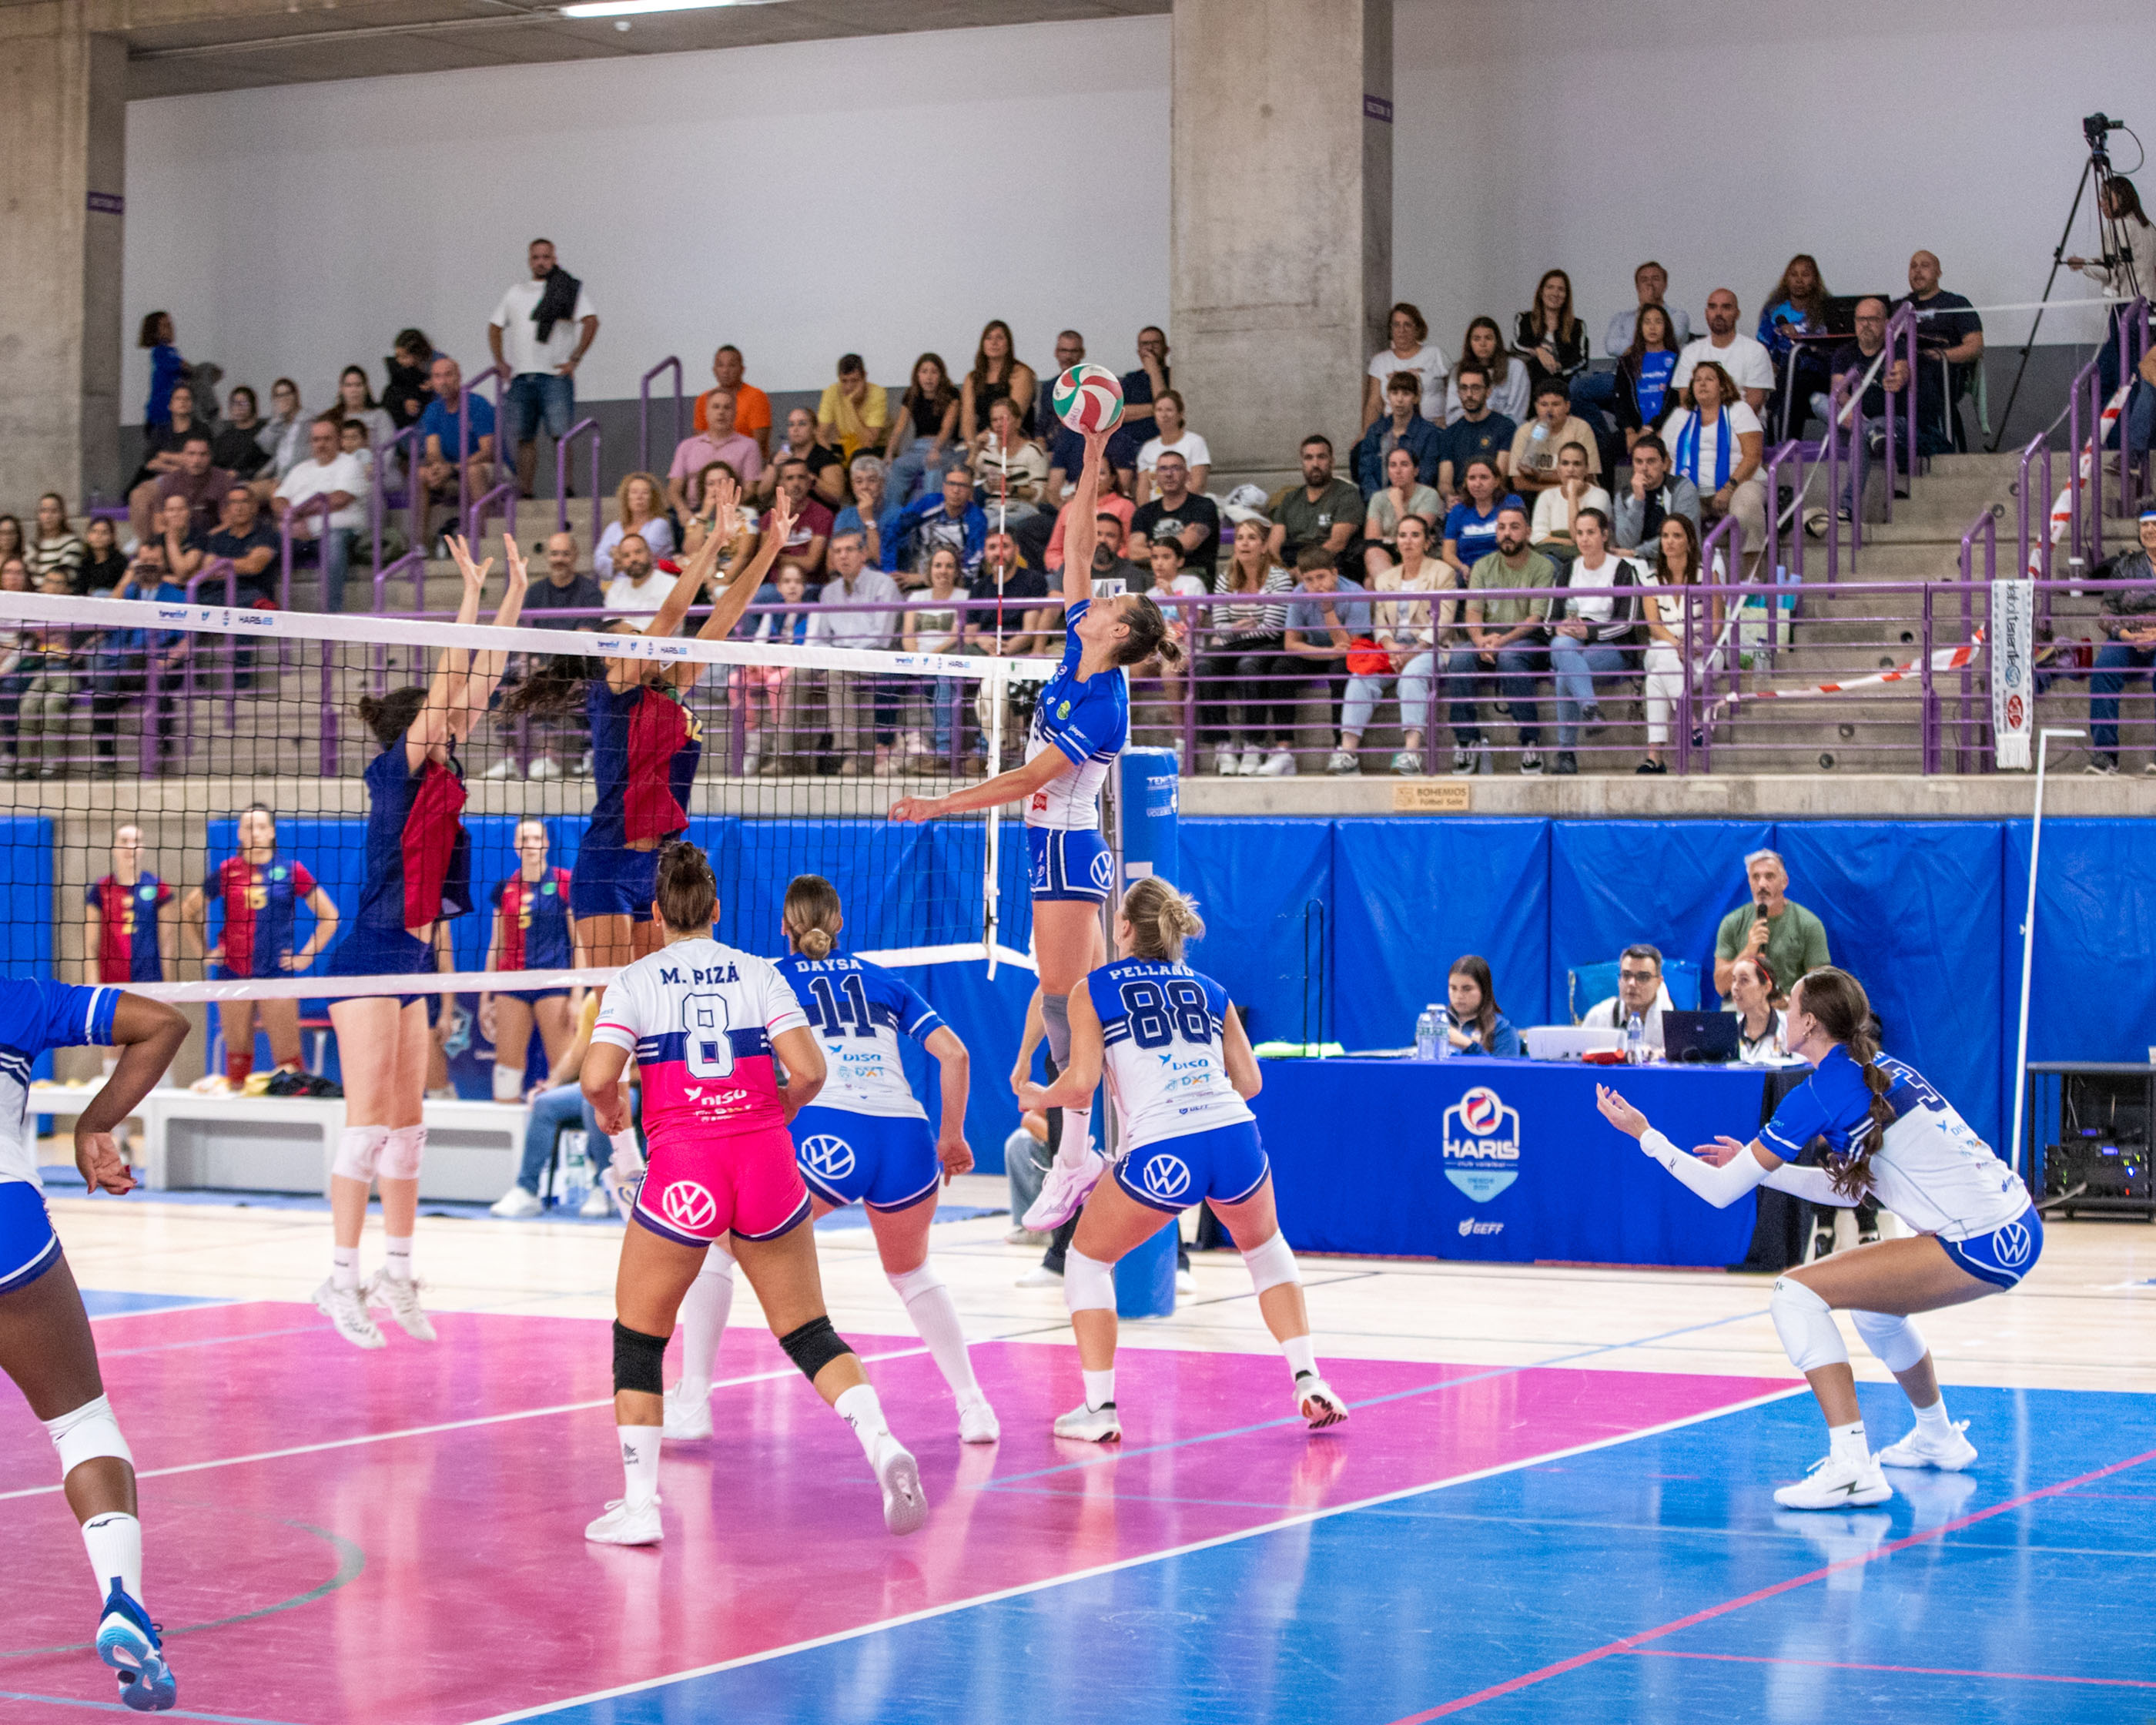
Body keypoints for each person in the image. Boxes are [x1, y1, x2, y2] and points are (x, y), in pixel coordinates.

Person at [580, 841, 926, 1546]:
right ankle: (881, 1442)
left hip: (687, 1166)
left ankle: (641, 1507)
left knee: (639, 1339)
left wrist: (612, 1110)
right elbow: (810, 1070)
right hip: (766, 1160)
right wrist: (782, 1107)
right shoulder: (760, 972)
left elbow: (595, 1077)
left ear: (657, 914)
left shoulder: (635, 980)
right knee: (808, 1330)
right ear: (716, 909)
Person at [1595, 965, 2041, 1509]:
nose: (1784, 1012)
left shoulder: (1821, 1092)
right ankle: (1938, 1438)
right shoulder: (1878, 1069)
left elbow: (1719, 1192)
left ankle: (1852, 1467)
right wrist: (1766, 1172)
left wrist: (1647, 1137)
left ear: (1809, 1023)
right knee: (1875, 1312)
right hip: (2017, 1226)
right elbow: (1853, 1192)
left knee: (1794, 1294)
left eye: (1791, 1006)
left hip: (1982, 1241)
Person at [891, 427, 1178, 1231]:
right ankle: (1110, 1137)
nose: (1100, 599)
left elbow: (1026, 780)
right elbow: (1076, 548)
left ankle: (1077, 1152)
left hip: (1066, 848)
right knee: (1083, 1000)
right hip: (1054, 846)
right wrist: (1090, 455)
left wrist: (938, 805)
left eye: (1115, 605)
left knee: (1065, 1006)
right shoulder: (1084, 642)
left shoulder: (1104, 702)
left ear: (1118, 634)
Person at [666, 874, 999, 1445]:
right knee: (912, 1273)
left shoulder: (768, 979)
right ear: (840, 923)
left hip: (830, 1132)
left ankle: (693, 1402)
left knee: (716, 1244)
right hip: (905, 1137)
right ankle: (975, 1408)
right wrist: (951, 1138)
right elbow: (956, 1055)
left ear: (784, 926)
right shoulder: (883, 979)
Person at [1019, 876, 1349, 1442]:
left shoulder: (1091, 990)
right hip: (1233, 1133)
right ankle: (1308, 1377)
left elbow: (1081, 1083)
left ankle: (1099, 1409)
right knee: (1266, 1250)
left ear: (1122, 928)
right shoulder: (1212, 990)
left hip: (1165, 1143)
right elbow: (1251, 1082)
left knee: (1087, 1260)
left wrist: (1035, 1094)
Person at [308, 536, 527, 1348]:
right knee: (366, 1125)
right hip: (367, 956)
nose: (461, 719)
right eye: (445, 718)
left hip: (410, 961)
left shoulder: (443, 773)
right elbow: (451, 681)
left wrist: (513, 594)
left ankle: (397, 1271)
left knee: (408, 1128)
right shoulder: (394, 773)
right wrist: (468, 596)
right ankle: (339, 1280)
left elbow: (483, 679)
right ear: (417, 729)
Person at [0, 971, 189, 1710]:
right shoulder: (16, 998)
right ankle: (122, 1601)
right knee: (80, 1420)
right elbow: (163, 1023)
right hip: (9, 1231)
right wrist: (92, 1125)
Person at [508, 480, 788, 976]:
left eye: (642, 635)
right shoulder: (612, 694)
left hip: (659, 865)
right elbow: (673, 613)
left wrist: (770, 546)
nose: (646, 642)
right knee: (619, 1003)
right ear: (609, 661)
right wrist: (713, 540)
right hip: (608, 862)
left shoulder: (671, 691)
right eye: (632, 639)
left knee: (661, 999)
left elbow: (724, 616)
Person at [180, 806, 339, 1092]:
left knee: (288, 1061)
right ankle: (237, 1113)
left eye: (261, 826)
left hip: (275, 975)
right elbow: (188, 909)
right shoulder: (227, 871)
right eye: (248, 827)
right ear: (239, 833)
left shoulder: (291, 870)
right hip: (233, 974)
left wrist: (305, 957)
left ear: (272, 832)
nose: (254, 832)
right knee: (237, 1059)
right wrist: (204, 952)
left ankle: (295, 1111)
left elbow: (330, 916)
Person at [1334, 512, 1451, 776]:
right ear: (1396, 542)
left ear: (1427, 542)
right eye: (1402, 535)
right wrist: (1390, 645)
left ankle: (1411, 754)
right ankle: (1347, 753)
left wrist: (1413, 652)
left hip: (1429, 648)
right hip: (1394, 650)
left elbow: (1443, 621)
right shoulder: (1386, 579)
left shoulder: (1443, 572)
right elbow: (1381, 623)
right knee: (1360, 677)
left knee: (1411, 676)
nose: (1408, 541)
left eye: (1415, 535)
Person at [1446, 501, 1555, 775]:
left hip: (1528, 641)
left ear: (1527, 532)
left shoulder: (1543, 566)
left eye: (1514, 527)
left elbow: (1536, 618)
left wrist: (1500, 642)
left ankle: (1530, 741)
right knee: (1459, 657)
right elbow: (1473, 611)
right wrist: (1479, 640)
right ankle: (1466, 740)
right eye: (1502, 527)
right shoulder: (1482, 566)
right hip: (1488, 640)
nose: (1507, 533)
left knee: (1510, 657)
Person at [486, 239, 598, 498]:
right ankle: (526, 492)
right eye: (536, 257)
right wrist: (500, 360)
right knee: (525, 437)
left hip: (555, 375)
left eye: (546, 257)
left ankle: (566, 490)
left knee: (561, 435)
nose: (541, 262)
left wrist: (575, 358)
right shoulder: (516, 292)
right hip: (522, 376)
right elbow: (495, 326)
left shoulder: (567, 288)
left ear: (554, 259)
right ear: (529, 261)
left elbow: (591, 321)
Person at [479, 818, 578, 1107]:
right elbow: (495, 945)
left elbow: (580, 943)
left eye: (536, 839)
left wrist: (577, 995)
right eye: (524, 839)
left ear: (546, 844)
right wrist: (485, 997)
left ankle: (566, 1130)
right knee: (507, 1070)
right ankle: (507, 1133)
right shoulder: (504, 888)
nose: (531, 845)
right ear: (515, 846)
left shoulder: (564, 882)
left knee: (564, 1068)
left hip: (554, 983)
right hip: (512, 983)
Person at [1198, 518, 1297, 776]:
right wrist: (1237, 628)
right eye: (1240, 538)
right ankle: (1224, 745)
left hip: (1269, 644)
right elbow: (1220, 627)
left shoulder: (1279, 578)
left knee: (1249, 665)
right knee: (1204, 666)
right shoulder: (1226, 578)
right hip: (1235, 643)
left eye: (1252, 538)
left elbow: (1272, 628)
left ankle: (1253, 744)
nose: (1244, 543)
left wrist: (1236, 629)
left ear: (1264, 546)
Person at [1547, 507, 1642, 774]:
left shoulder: (1623, 570)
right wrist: (1561, 628)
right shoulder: (1566, 571)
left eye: (1591, 532)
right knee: (1560, 646)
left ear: (1604, 535)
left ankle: (1567, 754)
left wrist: (1590, 632)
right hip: (1571, 643)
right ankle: (1590, 710)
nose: (1585, 539)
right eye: (1580, 533)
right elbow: (1549, 621)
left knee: (1566, 672)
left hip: (1611, 645)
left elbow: (1628, 622)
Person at [809, 533, 905, 775]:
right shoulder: (828, 592)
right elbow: (820, 639)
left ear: (863, 554)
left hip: (875, 660)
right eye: (837, 551)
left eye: (849, 550)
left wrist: (843, 657)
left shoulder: (884, 584)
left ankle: (851, 756)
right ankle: (787, 758)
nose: (843, 556)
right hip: (839, 660)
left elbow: (882, 638)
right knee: (795, 675)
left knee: (835, 674)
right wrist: (831, 656)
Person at [1659, 360, 1764, 571]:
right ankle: (1692, 574)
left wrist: (1728, 488)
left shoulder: (1739, 410)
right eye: (1697, 380)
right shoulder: (1680, 416)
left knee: (1746, 508)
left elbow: (1753, 456)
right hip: (1692, 491)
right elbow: (1664, 458)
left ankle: (1751, 577)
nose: (1702, 384)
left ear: (1723, 386)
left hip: (1739, 484)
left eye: (1709, 379)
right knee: (1678, 518)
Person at [1279, 548, 1371, 776]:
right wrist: (1328, 652)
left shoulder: (1355, 593)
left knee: (1341, 672)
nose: (1316, 585)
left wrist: (1328, 609)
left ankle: (1343, 751)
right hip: (1322, 651)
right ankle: (1283, 751)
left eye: (1321, 577)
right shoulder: (1299, 594)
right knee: (1281, 669)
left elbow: (1349, 648)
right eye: (1309, 580)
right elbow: (1291, 644)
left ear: (1334, 573)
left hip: (1345, 653)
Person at [272, 417, 369, 615]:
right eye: (316, 440)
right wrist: (291, 519)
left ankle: (331, 614)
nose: (321, 444)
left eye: (327, 439)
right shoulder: (300, 469)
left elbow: (339, 499)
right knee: (267, 544)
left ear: (338, 440)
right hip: (300, 536)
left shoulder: (350, 464)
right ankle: (270, 612)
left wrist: (297, 515)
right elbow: (279, 499)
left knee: (333, 541)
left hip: (341, 533)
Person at [2087, 507, 2156, 774]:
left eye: (2154, 524)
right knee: (2103, 670)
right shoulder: (2125, 566)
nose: (2149, 530)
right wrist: (2127, 635)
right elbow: (2107, 613)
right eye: (2144, 525)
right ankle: (2106, 756)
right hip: (2128, 637)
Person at [1892, 250, 1984, 451]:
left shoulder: (1956, 303)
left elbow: (1975, 346)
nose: (1918, 271)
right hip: (1901, 368)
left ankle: (1930, 442)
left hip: (1941, 372)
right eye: (1913, 266)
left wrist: (1941, 355)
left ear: (1939, 272)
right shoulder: (1899, 307)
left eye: (1925, 266)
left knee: (1922, 372)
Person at [1712, 849, 1830, 1001]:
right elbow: (1721, 987)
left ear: (1784, 882)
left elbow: (1821, 989)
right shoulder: (1732, 922)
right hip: (1741, 1007)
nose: (1762, 884)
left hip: (1790, 1007)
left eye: (1769, 877)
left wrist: (1789, 1003)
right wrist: (1748, 952)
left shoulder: (1809, 924)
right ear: (1749, 882)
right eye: (1756, 877)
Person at [1636, 513, 1705, 775]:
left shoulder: (1706, 575)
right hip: (1664, 648)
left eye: (1677, 536)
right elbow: (1654, 628)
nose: (1670, 541)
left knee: (1656, 678)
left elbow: (1717, 624)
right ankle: (1691, 721)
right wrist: (1678, 644)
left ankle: (1655, 758)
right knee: (1663, 650)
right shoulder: (1651, 580)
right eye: (1665, 536)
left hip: (1701, 653)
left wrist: (1698, 645)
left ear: (1690, 542)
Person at [414, 357, 496, 546]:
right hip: (453, 470)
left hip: (487, 468)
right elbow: (433, 451)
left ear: (459, 377)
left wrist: (453, 469)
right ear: (432, 381)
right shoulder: (432, 410)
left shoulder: (477, 404)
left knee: (473, 471)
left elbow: (487, 452)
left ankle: (479, 543)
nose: (443, 381)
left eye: (448, 375)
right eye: (437, 376)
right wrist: (438, 469)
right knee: (421, 474)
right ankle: (420, 545)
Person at [900, 546, 971, 765]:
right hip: (916, 661)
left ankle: (943, 749)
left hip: (946, 660)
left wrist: (930, 659)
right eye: (938, 565)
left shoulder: (965, 597)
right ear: (929, 570)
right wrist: (917, 660)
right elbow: (908, 635)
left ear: (957, 572)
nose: (943, 571)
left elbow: (955, 637)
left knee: (942, 679)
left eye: (949, 566)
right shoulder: (916, 597)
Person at [83, 826, 174, 988]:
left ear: (143, 848)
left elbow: (167, 943)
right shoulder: (100, 889)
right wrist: (91, 989)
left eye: (136, 841)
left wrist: (169, 987)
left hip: (150, 981)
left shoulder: (158, 887)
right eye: (124, 841)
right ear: (114, 848)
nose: (130, 847)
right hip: (111, 982)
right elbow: (91, 947)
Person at [1758, 254, 1836, 439]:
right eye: (1794, 275)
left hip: (1818, 374)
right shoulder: (1774, 310)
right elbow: (1762, 347)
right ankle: (1777, 444)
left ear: (1815, 280)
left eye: (1805, 275)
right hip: (1783, 375)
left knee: (1797, 380)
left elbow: (1833, 348)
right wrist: (1769, 364)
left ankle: (1784, 438)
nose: (1799, 280)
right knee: (1783, 382)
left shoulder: (1826, 309)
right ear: (1787, 279)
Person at [1267, 435, 1364, 570]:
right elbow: (1273, 546)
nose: (1315, 464)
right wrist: (1282, 573)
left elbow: (1337, 543)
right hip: (1291, 561)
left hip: (1328, 563)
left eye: (1321, 457)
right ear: (1302, 463)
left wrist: (1303, 571)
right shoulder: (1290, 498)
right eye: (1309, 458)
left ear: (1332, 462)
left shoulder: (1347, 494)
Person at [1128, 449, 1221, 584]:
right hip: (1152, 575)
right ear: (1156, 477)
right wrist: (1172, 549)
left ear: (1188, 475)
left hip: (1191, 574)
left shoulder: (1204, 506)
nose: (1169, 474)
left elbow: (1189, 543)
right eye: (1163, 469)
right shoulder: (1145, 512)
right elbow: (1134, 552)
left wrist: (1152, 547)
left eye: (1176, 468)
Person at [666, 389, 764, 518]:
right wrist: (682, 511)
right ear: (706, 412)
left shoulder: (749, 446)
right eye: (716, 407)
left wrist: (727, 511)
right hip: (691, 512)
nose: (721, 412)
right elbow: (674, 488)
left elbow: (750, 490)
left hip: (730, 511)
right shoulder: (687, 446)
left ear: (735, 413)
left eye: (727, 408)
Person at [1672, 289, 1774, 412]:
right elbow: (1686, 403)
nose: (1718, 313)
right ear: (1706, 313)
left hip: (1744, 422)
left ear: (1737, 314)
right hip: (1699, 421)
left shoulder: (1756, 351)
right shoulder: (1690, 352)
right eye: (1713, 307)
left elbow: (1754, 404)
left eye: (1726, 307)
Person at [883, 353, 961, 507]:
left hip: (944, 447)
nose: (929, 377)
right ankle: (892, 514)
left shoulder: (952, 394)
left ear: (941, 375)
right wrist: (889, 453)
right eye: (924, 372)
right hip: (918, 448)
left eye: (934, 372)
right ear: (917, 375)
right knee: (897, 466)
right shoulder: (911, 395)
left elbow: (947, 428)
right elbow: (899, 428)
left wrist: (935, 449)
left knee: (932, 465)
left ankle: (930, 512)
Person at [1354, 371, 1445, 503]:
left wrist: (1403, 502)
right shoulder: (1375, 431)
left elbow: (1426, 476)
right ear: (1388, 396)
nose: (1399, 399)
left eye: (1406, 394)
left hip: (1415, 504)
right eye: (1395, 393)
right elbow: (1366, 473)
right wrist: (1380, 502)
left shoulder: (1429, 433)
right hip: (1379, 503)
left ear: (1416, 398)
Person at [886, 464, 987, 581]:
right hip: (914, 576)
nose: (956, 490)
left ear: (971, 490)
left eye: (963, 485)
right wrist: (890, 570)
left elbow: (971, 570)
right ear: (944, 486)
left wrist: (922, 579)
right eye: (951, 483)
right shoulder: (928, 504)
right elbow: (892, 531)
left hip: (953, 583)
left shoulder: (977, 519)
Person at [1507, 379, 1601, 498]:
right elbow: (1519, 483)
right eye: (1544, 405)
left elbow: (1586, 477)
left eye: (1556, 404)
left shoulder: (1581, 428)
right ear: (1536, 407)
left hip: (1578, 496)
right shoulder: (1525, 431)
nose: (1549, 411)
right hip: (1535, 497)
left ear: (1567, 406)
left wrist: (1541, 477)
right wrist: (1556, 488)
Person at [1362, 444, 1443, 579]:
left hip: (1421, 554)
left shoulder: (1429, 495)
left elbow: (1415, 534)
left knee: (1371, 581)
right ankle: (1395, 589)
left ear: (1416, 471)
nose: (1398, 471)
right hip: (1389, 554)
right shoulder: (1378, 498)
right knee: (1372, 554)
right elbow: (1373, 540)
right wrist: (1393, 540)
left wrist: (1398, 504)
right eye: (1393, 465)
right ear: (1388, 472)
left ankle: (1395, 589)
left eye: (1404, 465)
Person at [1363, 300, 1449, 425]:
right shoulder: (1380, 361)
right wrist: (1367, 433)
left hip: (1434, 428)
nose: (1401, 330)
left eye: (1407, 325)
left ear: (1417, 328)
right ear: (1391, 329)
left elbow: (1456, 391)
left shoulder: (1435, 353)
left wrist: (1449, 420)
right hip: (1393, 430)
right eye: (1396, 325)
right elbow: (1374, 405)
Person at [1611, 303, 1683, 453]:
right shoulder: (1627, 362)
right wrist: (1629, 431)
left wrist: (1653, 427)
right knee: (1606, 447)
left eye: (1658, 322)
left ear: (1666, 327)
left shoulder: (1678, 361)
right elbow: (1620, 401)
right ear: (1640, 327)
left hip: (1666, 427)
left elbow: (1676, 402)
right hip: (1635, 429)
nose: (1652, 327)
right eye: (1647, 322)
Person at [1612, 434, 1701, 554]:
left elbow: (1680, 537)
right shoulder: (1623, 496)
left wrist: (1638, 553)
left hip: (1676, 559)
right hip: (1637, 560)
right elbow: (1626, 543)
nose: (1644, 468)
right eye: (1639, 462)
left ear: (1665, 464)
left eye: (1651, 461)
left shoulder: (1682, 488)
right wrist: (1638, 500)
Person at [1513, 269, 1589, 404]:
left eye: (1561, 289)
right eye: (1550, 287)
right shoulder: (1524, 319)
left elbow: (1581, 360)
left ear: (1566, 296)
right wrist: (1538, 351)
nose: (1555, 293)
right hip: (1530, 384)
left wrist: (1558, 367)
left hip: (1564, 383)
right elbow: (1518, 344)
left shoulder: (1577, 325)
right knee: (1536, 365)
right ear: (1541, 292)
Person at [1580, 943, 1674, 1050]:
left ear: (1659, 982)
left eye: (1643, 977)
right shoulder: (1598, 1016)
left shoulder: (1673, 1026)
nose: (1632, 983)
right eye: (1626, 975)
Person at [972, 397, 1049, 524]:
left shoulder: (1033, 452)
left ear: (1018, 422)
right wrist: (975, 450)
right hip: (992, 507)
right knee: (974, 524)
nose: (999, 424)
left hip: (1023, 509)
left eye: (1004, 419)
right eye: (994, 420)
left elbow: (1041, 495)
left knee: (992, 524)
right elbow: (972, 483)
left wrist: (1013, 489)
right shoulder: (987, 452)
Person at [960, 320, 1037, 447]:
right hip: (980, 442)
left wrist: (989, 440)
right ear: (983, 344)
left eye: (999, 338)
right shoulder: (972, 378)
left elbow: (1013, 416)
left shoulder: (1021, 374)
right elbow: (968, 418)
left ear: (1008, 344)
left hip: (1014, 443)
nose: (994, 343)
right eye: (989, 338)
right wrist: (972, 444)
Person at [1528, 443, 1609, 562]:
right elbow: (1537, 537)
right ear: (1558, 469)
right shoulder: (1546, 496)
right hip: (1549, 556)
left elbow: (1582, 537)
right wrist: (1570, 542)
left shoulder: (1600, 496)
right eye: (1565, 463)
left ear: (1586, 469)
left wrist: (1572, 494)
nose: (1571, 469)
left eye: (1577, 464)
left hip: (1587, 559)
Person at [1448, 317, 1532, 426]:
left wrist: (1493, 427)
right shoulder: (1458, 371)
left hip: (1507, 431)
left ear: (1497, 341)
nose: (1483, 344)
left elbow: (1517, 413)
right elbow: (1453, 415)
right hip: (1470, 430)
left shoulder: (1516, 367)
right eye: (1477, 339)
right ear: (1470, 343)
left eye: (1488, 338)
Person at [1132, 390, 1211, 504]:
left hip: (1188, 507)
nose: (1164, 415)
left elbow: (1198, 485)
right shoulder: (1148, 448)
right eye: (1159, 410)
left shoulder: (1195, 442)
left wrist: (1174, 508)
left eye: (1169, 410)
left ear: (1180, 414)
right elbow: (1143, 490)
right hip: (1155, 509)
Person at [693, 345, 772, 459]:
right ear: (714, 370)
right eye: (720, 365)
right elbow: (700, 444)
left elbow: (758, 446)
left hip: (748, 461)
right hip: (712, 464)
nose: (725, 371)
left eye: (731, 365)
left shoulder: (757, 397)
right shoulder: (703, 399)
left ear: (742, 369)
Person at [1603, 262, 1695, 360]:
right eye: (1644, 280)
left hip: (1668, 368)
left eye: (1655, 279)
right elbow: (1611, 347)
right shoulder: (1621, 318)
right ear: (1637, 287)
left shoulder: (1678, 316)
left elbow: (1672, 339)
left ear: (1665, 285)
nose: (1650, 284)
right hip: (1630, 369)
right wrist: (1651, 344)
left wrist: (1631, 348)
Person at [1440, 457, 1510, 583]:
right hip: (1468, 573)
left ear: (1497, 481)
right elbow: (1448, 553)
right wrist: (1462, 567)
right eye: (1472, 478)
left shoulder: (1511, 503)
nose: (1477, 484)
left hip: (1504, 569)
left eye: (1484, 477)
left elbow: (1519, 540)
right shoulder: (1458, 511)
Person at [593, 473, 674, 581]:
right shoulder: (613, 527)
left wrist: (614, 553)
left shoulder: (660, 524)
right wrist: (624, 557)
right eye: (634, 492)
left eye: (645, 493)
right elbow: (598, 561)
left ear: (653, 498)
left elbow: (642, 557)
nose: (639, 497)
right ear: (626, 497)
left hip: (653, 584)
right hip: (620, 585)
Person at [766, 406, 848, 512]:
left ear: (814, 429)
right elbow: (762, 495)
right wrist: (774, 466)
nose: (795, 429)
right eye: (791, 424)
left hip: (820, 516)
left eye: (802, 424)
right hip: (786, 515)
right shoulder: (780, 456)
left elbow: (837, 496)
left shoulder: (826, 457)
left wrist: (812, 480)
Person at [1442, 954, 1520, 1056]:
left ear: (1484, 990)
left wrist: (1468, 1045)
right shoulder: (1434, 1023)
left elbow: (1504, 1067)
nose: (1459, 996)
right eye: (1453, 988)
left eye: (1467, 989)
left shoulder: (1503, 1031)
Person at [817, 353, 889, 462]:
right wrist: (832, 459)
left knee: (860, 455)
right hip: (845, 446)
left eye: (854, 381)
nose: (849, 387)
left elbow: (868, 442)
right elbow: (821, 435)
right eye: (844, 381)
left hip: (875, 448)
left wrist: (852, 405)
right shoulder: (832, 391)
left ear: (865, 377)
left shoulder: (877, 393)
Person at [1726, 953, 1788, 1063]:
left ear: (1766, 987)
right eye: (1734, 980)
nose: (1735, 987)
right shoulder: (1729, 1028)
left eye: (1744, 980)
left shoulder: (1788, 1027)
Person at [139, 309, 189, 428]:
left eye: (170, 324)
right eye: (165, 326)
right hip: (161, 416)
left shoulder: (173, 351)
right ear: (155, 332)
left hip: (172, 414)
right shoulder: (160, 352)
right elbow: (181, 366)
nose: (170, 328)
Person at [383, 329, 436, 430]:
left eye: (404, 357)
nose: (399, 361)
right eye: (397, 356)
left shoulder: (437, 363)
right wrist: (404, 401)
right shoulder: (400, 373)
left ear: (418, 355)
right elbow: (392, 393)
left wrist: (435, 383)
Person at [29, 494, 85, 589]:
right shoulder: (32, 545)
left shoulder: (72, 543)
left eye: (54, 511)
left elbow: (66, 576)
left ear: (62, 515)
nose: (48, 516)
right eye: (44, 511)